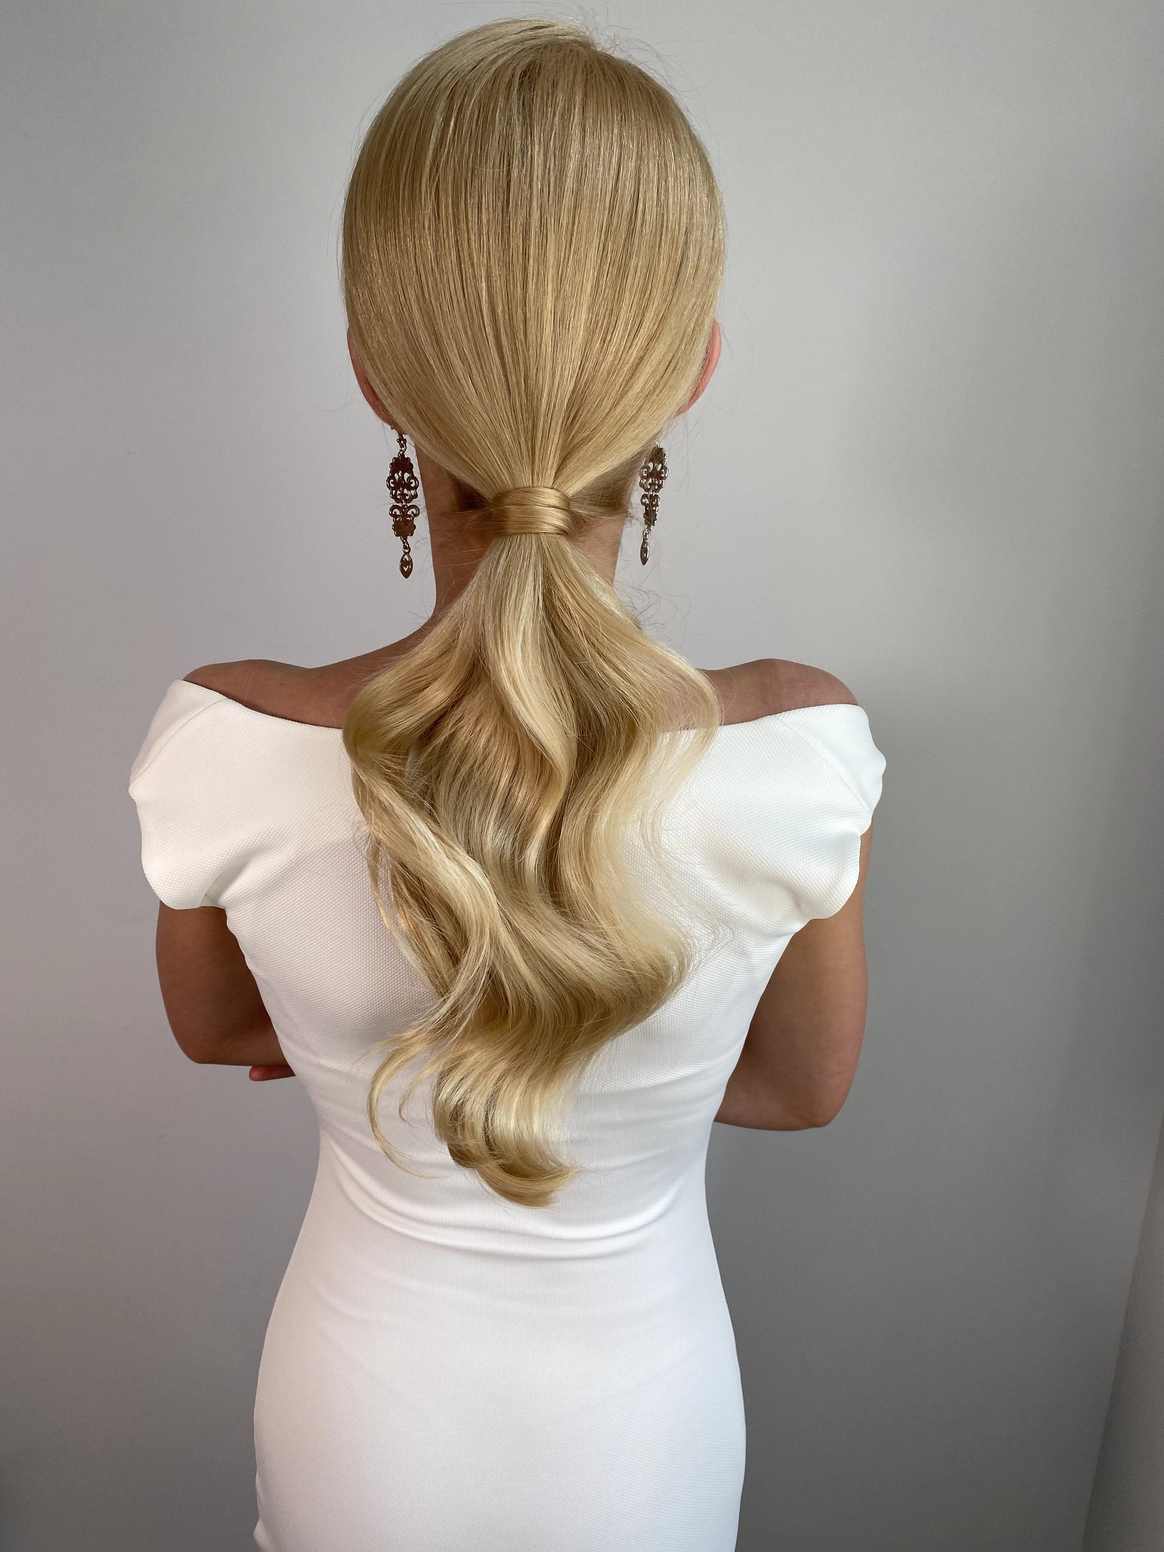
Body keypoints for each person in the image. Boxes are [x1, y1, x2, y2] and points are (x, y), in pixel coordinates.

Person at [128, 18, 885, 1552]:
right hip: (646, 1428)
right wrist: (611, 1075)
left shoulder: (229, 740)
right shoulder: (798, 752)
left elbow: (215, 1028)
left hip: (356, 1410)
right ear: (691, 369)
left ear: (374, 374)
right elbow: (803, 1088)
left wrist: (372, 1051)